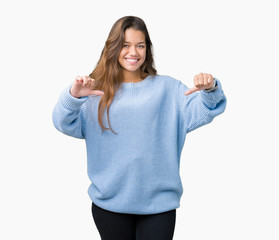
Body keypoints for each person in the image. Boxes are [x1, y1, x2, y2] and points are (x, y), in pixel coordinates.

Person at [52, 16, 227, 240]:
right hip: (109, 205)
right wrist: (73, 97)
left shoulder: (169, 89)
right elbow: (62, 123)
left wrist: (210, 88)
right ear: (113, 48)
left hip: (159, 207)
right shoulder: (94, 92)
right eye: (125, 45)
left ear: (147, 49)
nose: (133, 52)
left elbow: (206, 109)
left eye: (140, 45)